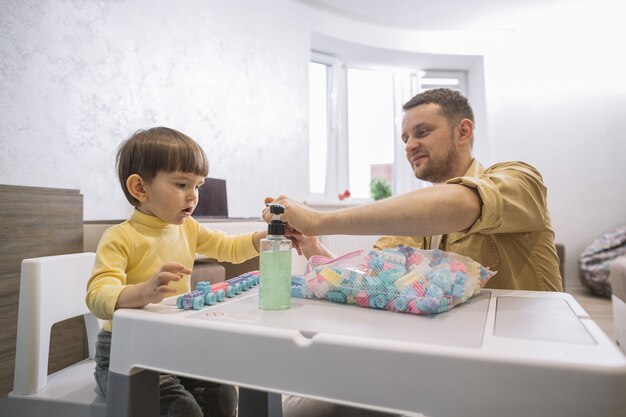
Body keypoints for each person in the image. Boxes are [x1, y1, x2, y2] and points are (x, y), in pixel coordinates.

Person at [264, 88, 562, 417]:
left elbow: (463, 203)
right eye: (405, 137)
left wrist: (319, 220)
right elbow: (370, 278)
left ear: (463, 131)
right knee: (301, 406)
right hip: (435, 360)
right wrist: (312, 245)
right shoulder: (414, 215)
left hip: (516, 368)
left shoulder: (519, 179)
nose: (409, 146)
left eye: (422, 132)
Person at [86, 127, 266, 417]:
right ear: (140, 188)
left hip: (173, 343)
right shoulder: (119, 237)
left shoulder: (188, 228)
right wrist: (142, 292)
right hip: (125, 352)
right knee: (182, 410)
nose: (193, 196)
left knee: (223, 394)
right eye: (182, 184)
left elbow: (228, 247)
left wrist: (264, 238)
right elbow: (97, 295)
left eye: (198, 186)